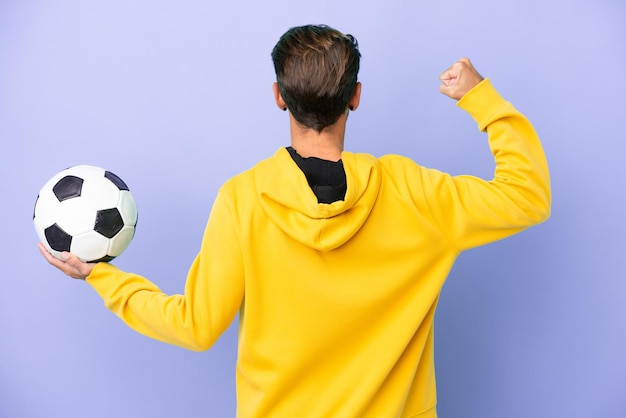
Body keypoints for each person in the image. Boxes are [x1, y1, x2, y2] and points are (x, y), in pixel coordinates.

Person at [39, 24, 551, 418]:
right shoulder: (415, 192)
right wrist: (480, 98)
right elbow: (528, 196)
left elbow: (194, 327)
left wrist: (102, 277)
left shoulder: (244, 199)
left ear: (279, 96)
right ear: (355, 96)